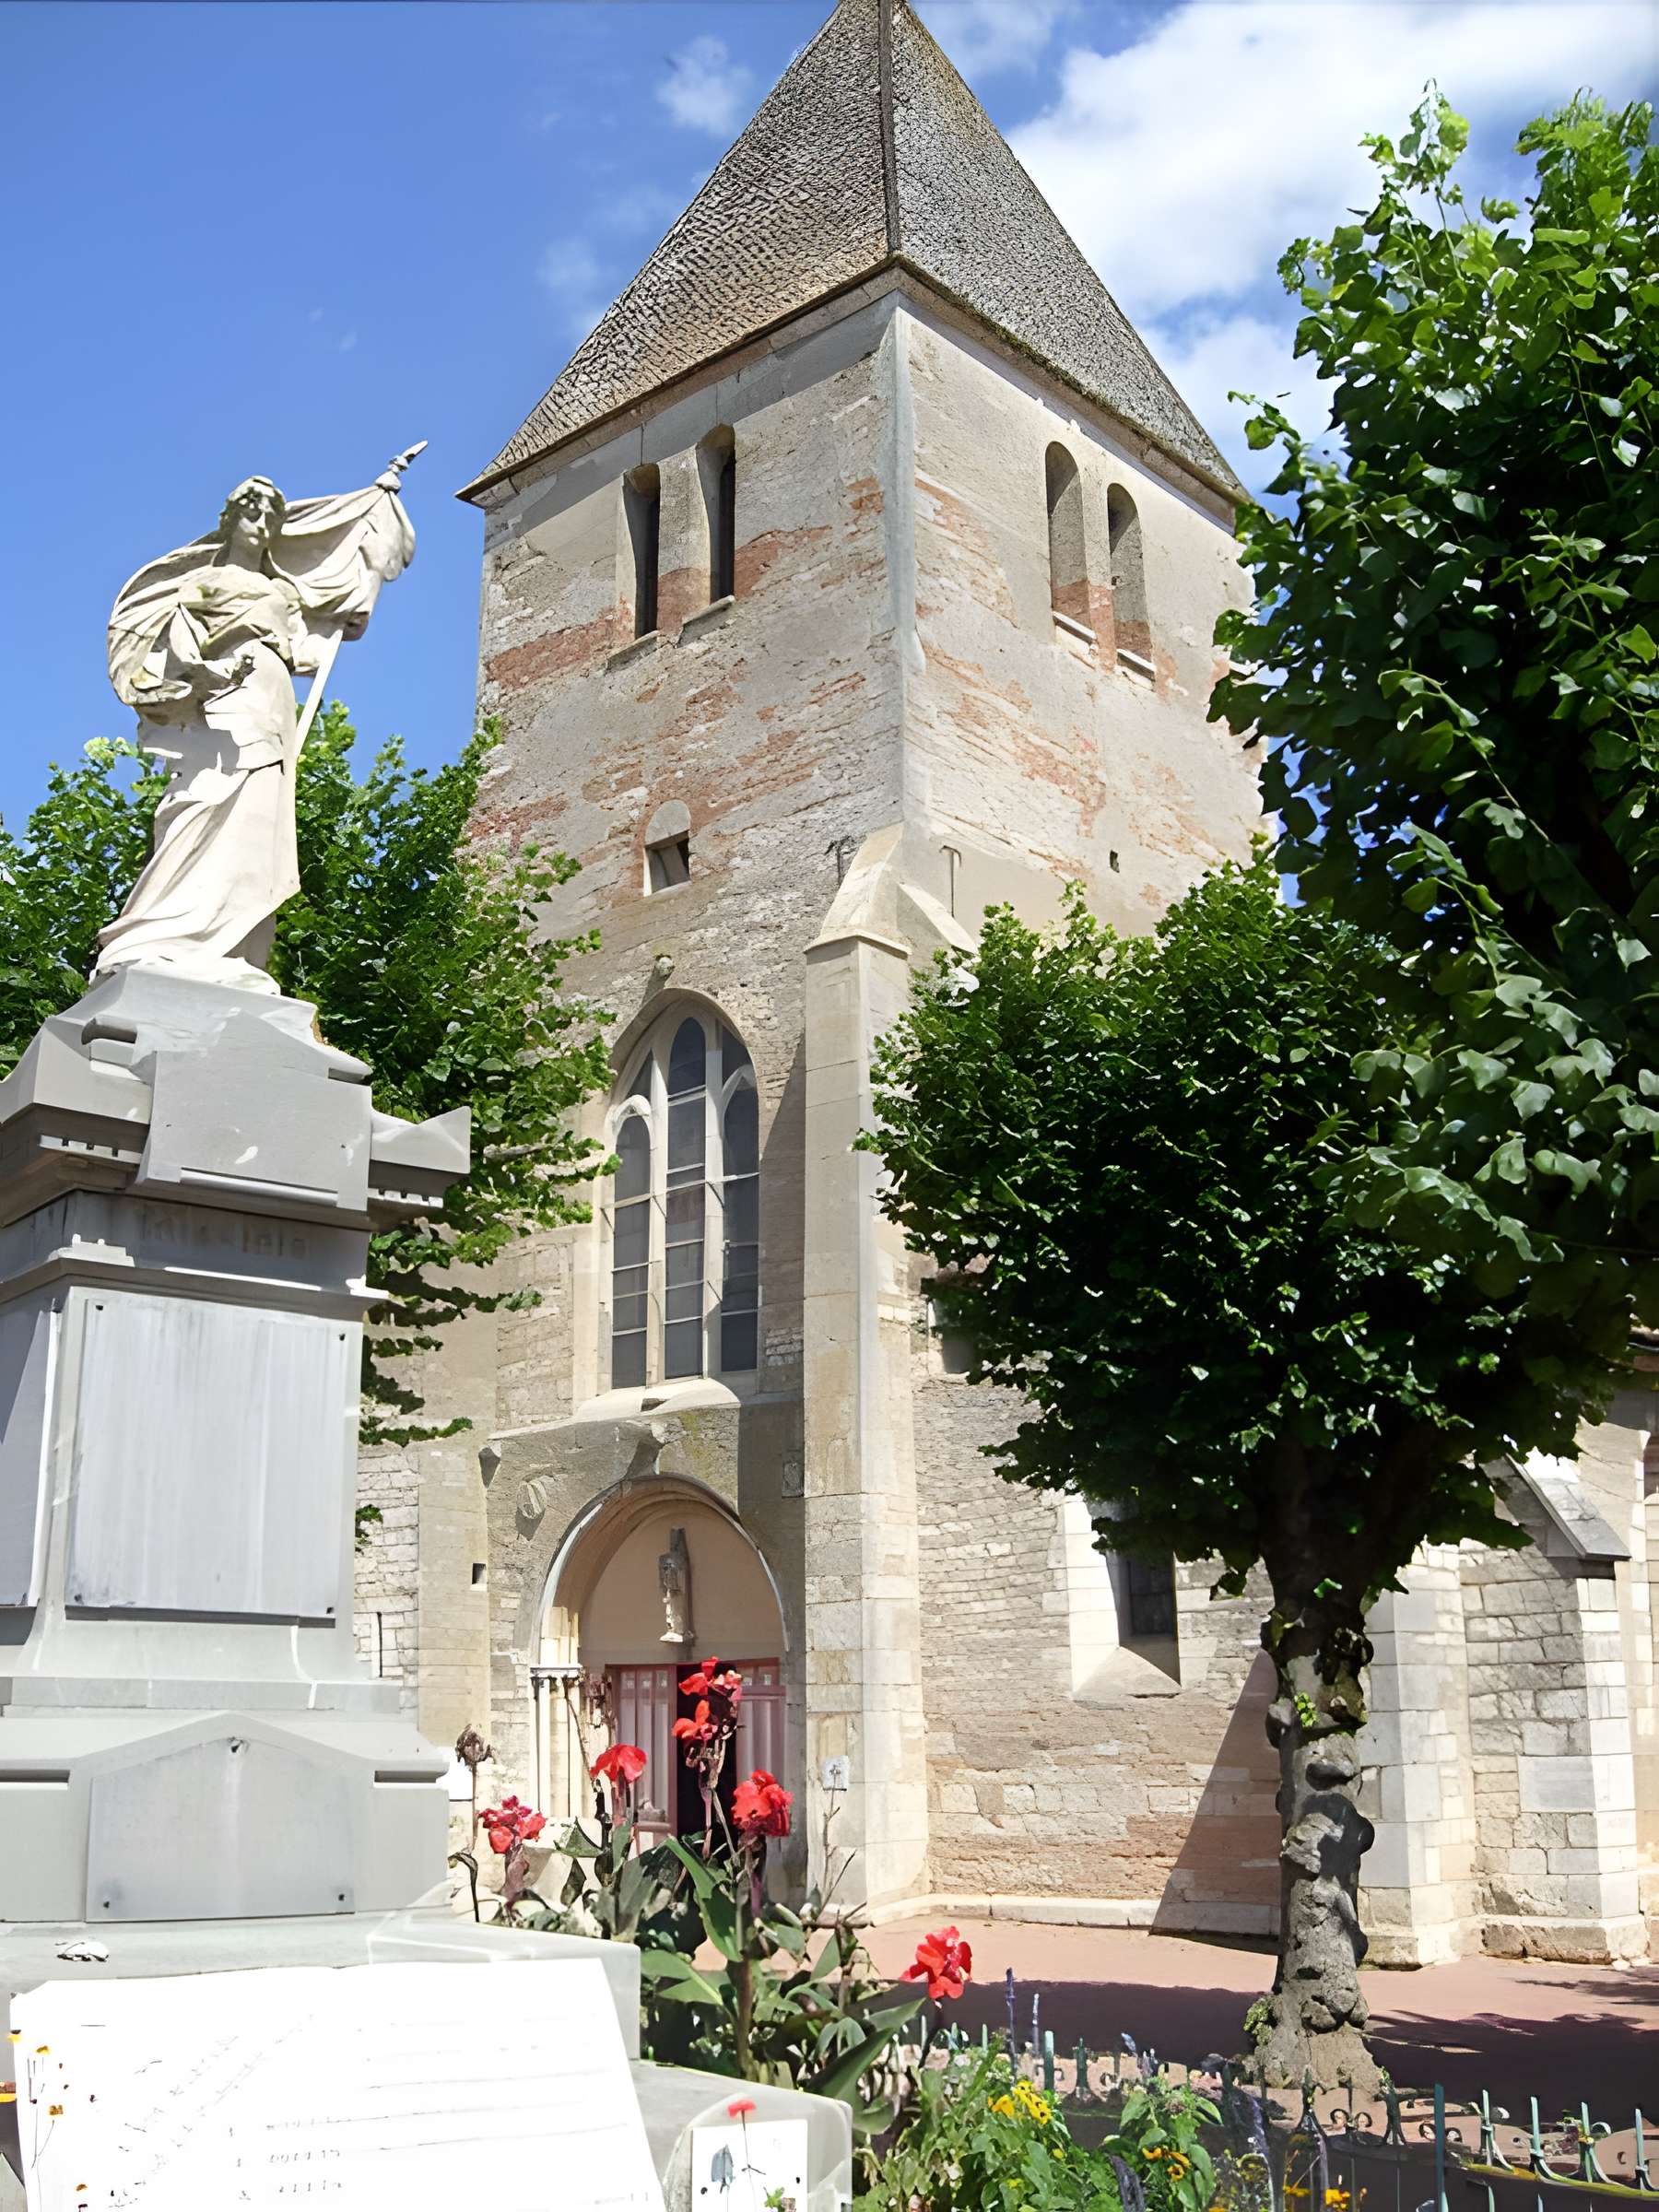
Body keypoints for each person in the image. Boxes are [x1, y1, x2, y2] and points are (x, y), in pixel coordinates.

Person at [96, 451, 418, 989]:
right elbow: (178, 646)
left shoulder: (282, 593)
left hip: (272, 701)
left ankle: (233, 949)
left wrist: (352, 598)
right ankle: (161, 932)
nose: (261, 519)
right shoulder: (203, 583)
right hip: (222, 697)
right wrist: (202, 673)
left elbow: (308, 647)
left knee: (257, 818)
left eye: (271, 513)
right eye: (251, 509)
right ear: (229, 518)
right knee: (202, 801)